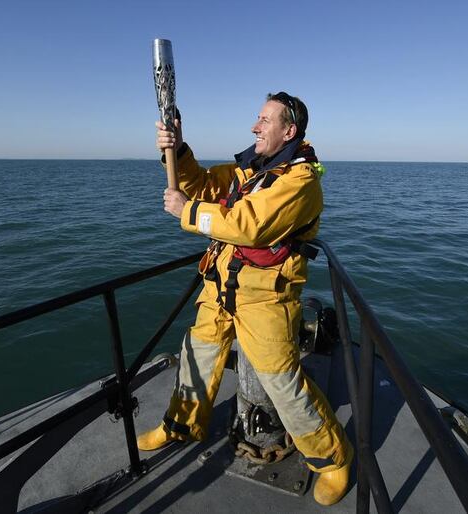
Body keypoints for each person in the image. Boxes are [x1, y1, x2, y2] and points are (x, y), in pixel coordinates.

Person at [139, 92, 354, 506]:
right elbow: (201, 184)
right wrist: (178, 149)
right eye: (257, 118)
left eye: (264, 120)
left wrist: (187, 212)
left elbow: (248, 224)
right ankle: (181, 425)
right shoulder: (250, 172)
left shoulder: (299, 182)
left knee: (282, 383)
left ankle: (331, 458)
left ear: (289, 131)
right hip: (220, 287)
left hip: (265, 298)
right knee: (196, 355)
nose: (255, 126)